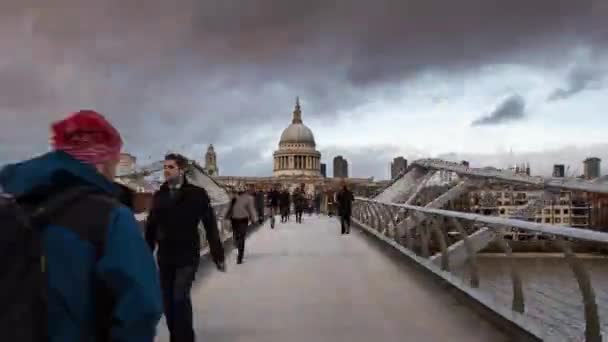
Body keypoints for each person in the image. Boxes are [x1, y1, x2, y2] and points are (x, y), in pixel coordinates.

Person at [0, 110, 163, 341]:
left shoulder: (11, 206)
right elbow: (141, 306)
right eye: (114, 162)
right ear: (100, 163)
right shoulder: (111, 216)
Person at [145, 153, 226, 342]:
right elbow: (150, 227)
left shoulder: (197, 194)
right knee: (168, 302)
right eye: (165, 167)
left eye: (171, 167)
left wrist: (218, 255)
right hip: (165, 256)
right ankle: (178, 336)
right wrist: (145, 254)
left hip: (188, 254)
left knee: (179, 298)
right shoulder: (159, 195)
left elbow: (210, 225)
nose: (166, 170)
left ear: (181, 170)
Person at [226, 186, 257, 264]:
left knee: (239, 236)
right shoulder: (247, 198)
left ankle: (240, 255)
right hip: (240, 220)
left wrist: (254, 218)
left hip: (237, 220)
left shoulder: (236, 198)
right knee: (240, 237)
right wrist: (254, 219)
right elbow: (251, 209)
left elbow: (251, 209)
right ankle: (239, 252)